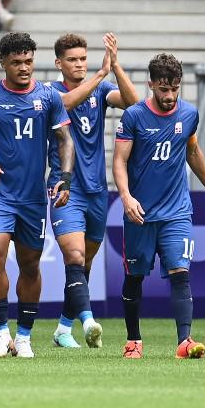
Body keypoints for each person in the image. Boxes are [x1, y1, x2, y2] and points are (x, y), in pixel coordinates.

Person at [0, 31, 73, 359]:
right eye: (17, 62)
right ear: (3, 63)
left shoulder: (48, 97)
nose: (24, 68)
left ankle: (23, 337)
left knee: (30, 264)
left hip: (33, 197)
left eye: (29, 61)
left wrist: (64, 178)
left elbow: (65, 140)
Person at [113, 53, 205, 360]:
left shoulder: (189, 114)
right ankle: (133, 341)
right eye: (163, 89)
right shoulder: (134, 116)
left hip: (176, 210)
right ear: (151, 84)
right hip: (141, 213)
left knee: (180, 272)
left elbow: (193, 151)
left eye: (174, 88)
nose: (169, 96)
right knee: (135, 276)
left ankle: (184, 341)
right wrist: (126, 196)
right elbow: (120, 160)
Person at [46, 32, 139, 348]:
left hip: (97, 190)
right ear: (59, 63)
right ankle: (88, 322)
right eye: (72, 59)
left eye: (83, 59)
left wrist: (115, 67)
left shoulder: (100, 90)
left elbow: (133, 104)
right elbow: (66, 103)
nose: (79, 64)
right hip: (64, 188)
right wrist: (100, 74)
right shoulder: (49, 93)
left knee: (83, 265)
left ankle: (62, 329)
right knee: (74, 256)